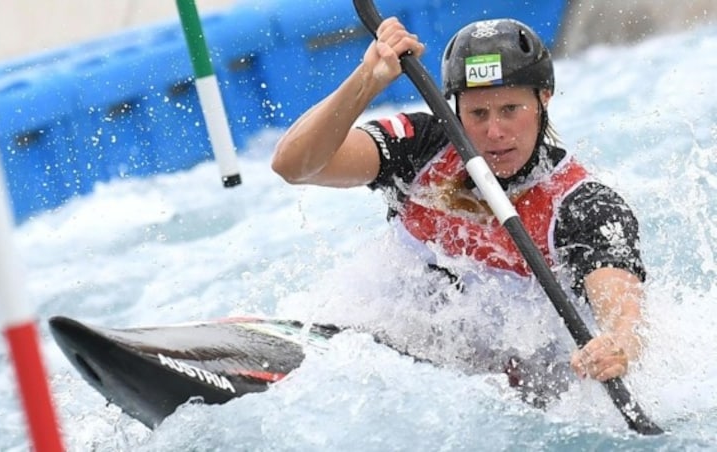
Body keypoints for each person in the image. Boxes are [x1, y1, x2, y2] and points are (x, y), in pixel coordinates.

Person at [271, 17, 647, 406]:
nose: (495, 131)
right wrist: (368, 79)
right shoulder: (420, 148)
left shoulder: (583, 205)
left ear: (544, 98)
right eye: (477, 114)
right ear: (455, 108)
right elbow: (294, 165)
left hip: (533, 397)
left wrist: (615, 347)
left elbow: (625, 315)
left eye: (510, 109)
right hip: (401, 364)